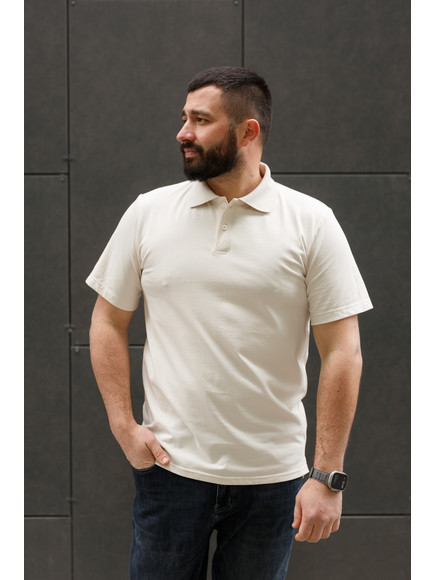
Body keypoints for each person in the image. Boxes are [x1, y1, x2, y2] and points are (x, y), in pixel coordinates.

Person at [87, 66, 373, 580]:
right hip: (170, 470)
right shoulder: (149, 213)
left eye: (200, 120)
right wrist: (123, 425)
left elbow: (343, 352)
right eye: (184, 118)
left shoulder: (311, 223)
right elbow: (107, 320)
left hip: (273, 479)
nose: (183, 133)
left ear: (247, 132)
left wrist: (327, 475)